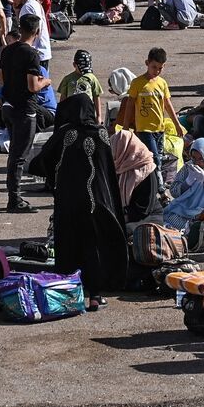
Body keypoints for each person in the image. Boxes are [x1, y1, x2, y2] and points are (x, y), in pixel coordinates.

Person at [36, 93, 128, 310]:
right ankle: (95, 295)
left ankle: (66, 296)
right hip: (97, 202)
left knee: (68, 245)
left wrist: (57, 178)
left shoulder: (65, 134)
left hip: (68, 201)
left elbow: (41, 160)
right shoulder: (101, 134)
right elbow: (107, 171)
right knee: (94, 246)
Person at [0, 14, 51, 213]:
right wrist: (46, 81)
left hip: (8, 107)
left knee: (14, 154)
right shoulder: (32, 55)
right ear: (37, 32)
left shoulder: (7, 50)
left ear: (20, 29)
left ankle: (14, 196)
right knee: (19, 156)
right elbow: (33, 86)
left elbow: (0, 78)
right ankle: (15, 199)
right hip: (25, 110)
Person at [119, 47, 186, 167]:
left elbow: (167, 104)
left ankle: (155, 178)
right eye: (154, 67)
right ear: (147, 63)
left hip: (160, 129)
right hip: (144, 130)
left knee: (159, 157)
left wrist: (177, 125)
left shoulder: (162, 83)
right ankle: (158, 179)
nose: (157, 71)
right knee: (155, 160)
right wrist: (125, 126)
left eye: (160, 68)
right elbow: (130, 105)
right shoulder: (137, 83)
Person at [112, 128, 162, 223]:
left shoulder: (147, 169)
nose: (113, 152)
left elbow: (144, 208)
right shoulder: (118, 166)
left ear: (127, 149)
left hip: (147, 217)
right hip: (124, 214)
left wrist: (120, 219)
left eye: (116, 148)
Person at [58, 49, 105, 122]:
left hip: (87, 113)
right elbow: (63, 98)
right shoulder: (68, 79)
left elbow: (96, 97)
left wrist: (99, 116)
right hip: (72, 113)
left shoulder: (91, 78)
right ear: (74, 65)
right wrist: (61, 115)